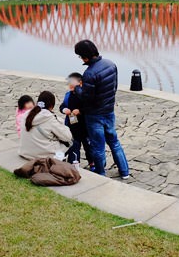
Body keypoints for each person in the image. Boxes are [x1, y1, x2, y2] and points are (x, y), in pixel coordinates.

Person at [73, 40, 130, 179]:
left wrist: (77, 89)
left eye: (80, 56)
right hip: (109, 110)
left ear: (84, 56)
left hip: (94, 115)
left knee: (97, 146)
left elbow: (87, 97)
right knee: (114, 142)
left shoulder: (89, 73)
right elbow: (114, 87)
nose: (81, 59)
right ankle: (124, 172)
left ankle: (100, 173)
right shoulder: (111, 64)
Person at [18, 91, 72, 161]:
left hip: (25, 152)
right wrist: (61, 122)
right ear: (52, 106)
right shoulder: (49, 118)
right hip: (41, 156)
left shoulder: (27, 114)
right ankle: (69, 164)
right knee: (69, 143)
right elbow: (67, 137)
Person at [60, 72, 94, 170]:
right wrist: (64, 110)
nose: (70, 84)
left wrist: (80, 111)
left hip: (85, 127)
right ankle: (74, 164)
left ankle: (92, 163)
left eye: (72, 82)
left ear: (80, 83)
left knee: (89, 148)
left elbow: (90, 108)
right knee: (74, 147)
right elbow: (62, 106)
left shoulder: (85, 95)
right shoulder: (68, 95)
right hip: (72, 127)